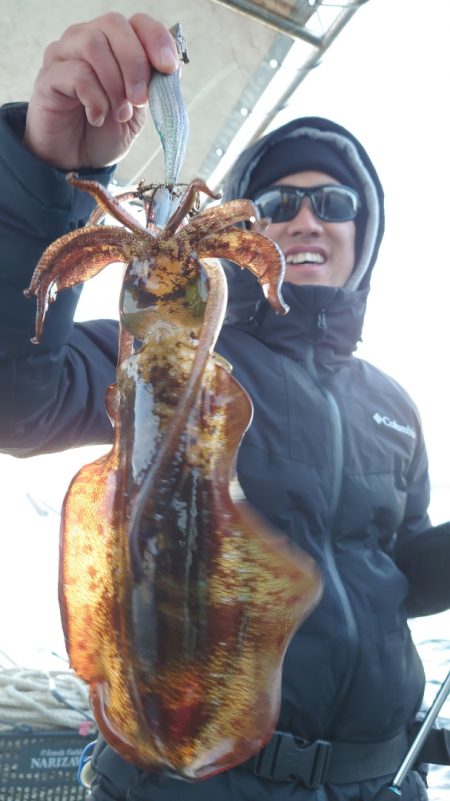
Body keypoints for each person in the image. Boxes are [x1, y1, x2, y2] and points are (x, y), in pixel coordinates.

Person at [0, 11, 449, 801]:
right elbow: (18, 397)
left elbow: (394, 574)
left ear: (365, 230)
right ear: (241, 229)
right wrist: (41, 177)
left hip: (377, 780)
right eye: (277, 200)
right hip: (190, 775)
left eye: (336, 202)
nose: (308, 218)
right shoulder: (175, 350)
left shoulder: (395, 407)